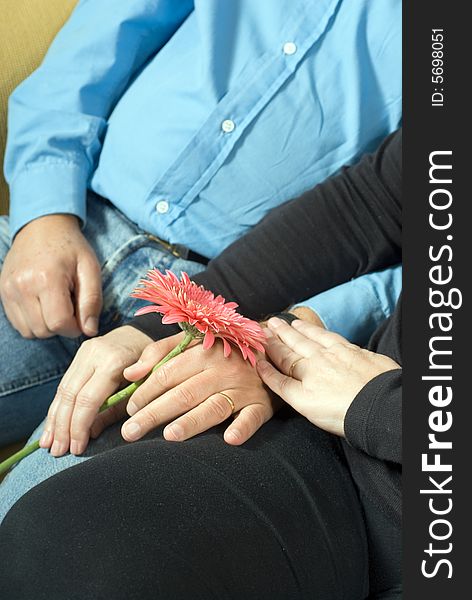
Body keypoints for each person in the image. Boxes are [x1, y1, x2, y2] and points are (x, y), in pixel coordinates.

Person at [0, 130, 402, 599]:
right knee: (49, 524)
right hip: (334, 435)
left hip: (373, 447)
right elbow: (369, 203)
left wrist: (378, 404)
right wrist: (170, 329)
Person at [0, 0, 402, 446]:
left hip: (235, 321)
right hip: (78, 225)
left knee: (41, 499)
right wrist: (44, 212)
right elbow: (94, 45)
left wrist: (288, 340)